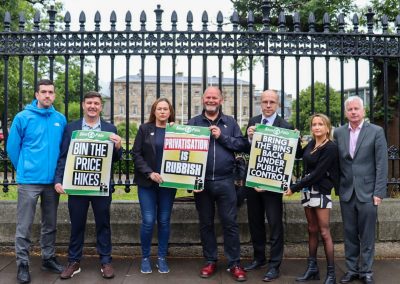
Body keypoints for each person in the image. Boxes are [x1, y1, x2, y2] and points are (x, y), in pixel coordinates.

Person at [54, 91, 122, 279]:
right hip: (77, 185)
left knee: (103, 224)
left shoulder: (110, 129)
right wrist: (58, 179)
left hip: (100, 185)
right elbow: (63, 156)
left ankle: (106, 260)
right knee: (76, 224)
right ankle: (74, 261)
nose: (92, 106)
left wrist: (118, 147)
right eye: (89, 103)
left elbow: (115, 159)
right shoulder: (71, 128)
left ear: (101, 106)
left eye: (96, 103)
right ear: (83, 105)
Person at [7, 79, 67, 284]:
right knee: (24, 225)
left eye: (51, 92)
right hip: (29, 181)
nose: (47, 95)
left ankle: (47, 258)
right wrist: (24, 168)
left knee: (49, 224)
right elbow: (12, 148)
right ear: (36, 94)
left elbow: (64, 150)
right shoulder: (22, 117)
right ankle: (22, 264)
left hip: (52, 182)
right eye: (43, 92)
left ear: (55, 95)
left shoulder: (60, 119)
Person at [187, 86, 249, 282]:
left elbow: (242, 145)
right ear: (203, 100)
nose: (211, 100)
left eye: (214, 97)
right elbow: (185, 151)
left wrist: (221, 137)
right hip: (202, 181)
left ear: (221, 100)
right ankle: (210, 261)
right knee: (205, 224)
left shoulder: (229, 122)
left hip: (225, 180)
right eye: (208, 97)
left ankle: (234, 263)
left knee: (230, 223)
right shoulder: (194, 122)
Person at [244, 89, 301, 282]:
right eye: (265, 102)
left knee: (275, 224)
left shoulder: (286, 125)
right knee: (255, 221)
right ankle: (259, 258)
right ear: (260, 103)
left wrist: (296, 140)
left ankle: (274, 265)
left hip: (273, 184)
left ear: (277, 104)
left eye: (272, 102)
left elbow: (296, 156)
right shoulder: (253, 122)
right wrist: (250, 137)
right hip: (253, 182)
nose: (268, 105)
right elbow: (246, 149)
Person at [334, 96, 388, 284]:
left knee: (367, 235)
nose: (354, 112)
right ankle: (351, 269)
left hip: (368, 193)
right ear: (346, 112)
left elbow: (382, 164)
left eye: (357, 108)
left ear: (363, 111)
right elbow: (337, 163)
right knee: (349, 234)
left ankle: (366, 271)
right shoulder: (339, 133)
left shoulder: (376, 131)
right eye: (350, 109)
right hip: (347, 192)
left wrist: (378, 192)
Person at [284, 113, 339, 284]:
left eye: (320, 124)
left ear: (327, 127)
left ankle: (331, 274)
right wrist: (296, 138)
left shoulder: (330, 147)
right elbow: (300, 154)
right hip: (308, 190)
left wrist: (293, 188)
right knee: (311, 229)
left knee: (324, 231)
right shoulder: (312, 143)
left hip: (320, 191)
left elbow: (317, 174)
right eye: (314, 124)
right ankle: (312, 268)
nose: (316, 127)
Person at [132, 98, 177, 274]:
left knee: (164, 221)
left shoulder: (176, 130)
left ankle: (162, 257)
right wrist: (150, 173)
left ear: (170, 111)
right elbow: (136, 154)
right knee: (149, 220)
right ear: (154, 111)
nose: (163, 112)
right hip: (147, 183)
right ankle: (145, 257)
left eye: (166, 109)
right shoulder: (145, 129)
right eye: (159, 109)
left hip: (168, 183)